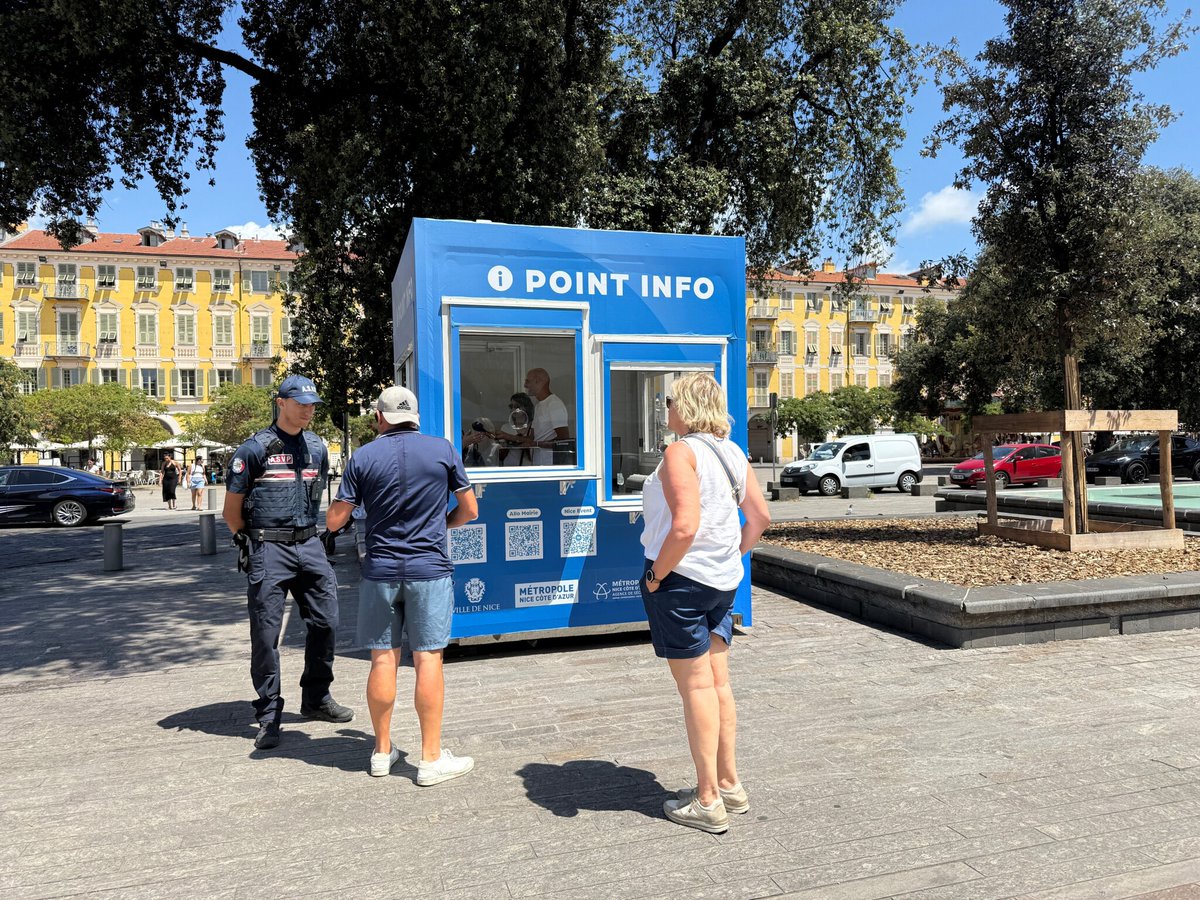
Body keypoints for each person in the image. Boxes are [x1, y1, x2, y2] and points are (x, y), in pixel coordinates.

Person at [325, 385, 479, 783]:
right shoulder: (443, 450)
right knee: (428, 659)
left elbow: (334, 521)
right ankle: (430, 759)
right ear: (415, 417)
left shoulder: (363, 457)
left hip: (380, 570)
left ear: (380, 418)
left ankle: (381, 751)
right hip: (429, 569)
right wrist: (441, 525)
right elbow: (470, 509)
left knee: (383, 659)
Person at [638, 372, 770, 833]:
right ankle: (729, 784)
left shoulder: (681, 451)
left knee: (696, 689)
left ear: (686, 407)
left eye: (670, 400)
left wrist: (656, 576)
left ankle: (708, 799)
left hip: (680, 581)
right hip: (721, 582)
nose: (666, 407)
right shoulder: (732, 451)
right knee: (718, 684)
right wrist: (730, 556)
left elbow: (684, 526)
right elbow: (760, 516)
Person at [222, 374, 354, 751]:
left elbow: (318, 498)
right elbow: (232, 512)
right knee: (266, 635)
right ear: (281, 403)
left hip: (310, 544)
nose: (308, 411)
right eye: (301, 404)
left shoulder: (317, 447)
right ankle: (268, 714)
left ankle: (316, 698)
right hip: (269, 548)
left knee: (326, 622)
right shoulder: (254, 449)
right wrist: (252, 543)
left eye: (312, 405)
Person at [521, 368, 570, 465]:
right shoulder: (539, 405)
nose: (525, 385)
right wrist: (507, 436)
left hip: (550, 465)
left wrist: (536, 444)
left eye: (527, 381)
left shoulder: (554, 404)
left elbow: (563, 440)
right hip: (539, 464)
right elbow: (532, 438)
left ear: (538, 381)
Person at [497, 392, 535, 467]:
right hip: (509, 468)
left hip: (528, 467)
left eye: (517, 406)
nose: (513, 409)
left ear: (526, 408)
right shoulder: (506, 428)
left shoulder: (534, 426)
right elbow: (501, 453)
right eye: (511, 406)